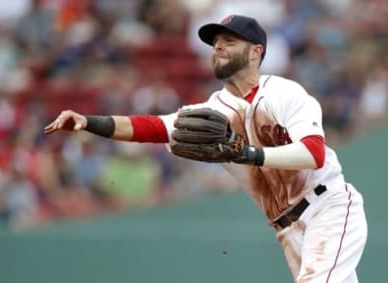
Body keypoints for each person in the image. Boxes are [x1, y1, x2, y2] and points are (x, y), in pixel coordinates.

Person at [44, 15, 367, 283]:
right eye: (215, 42)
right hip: (286, 228)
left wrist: (249, 155)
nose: (219, 46)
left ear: (256, 52)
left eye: (230, 40)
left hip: (328, 207)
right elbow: (151, 127)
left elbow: (313, 154)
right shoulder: (213, 111)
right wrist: (87, 121)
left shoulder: (283, 92)